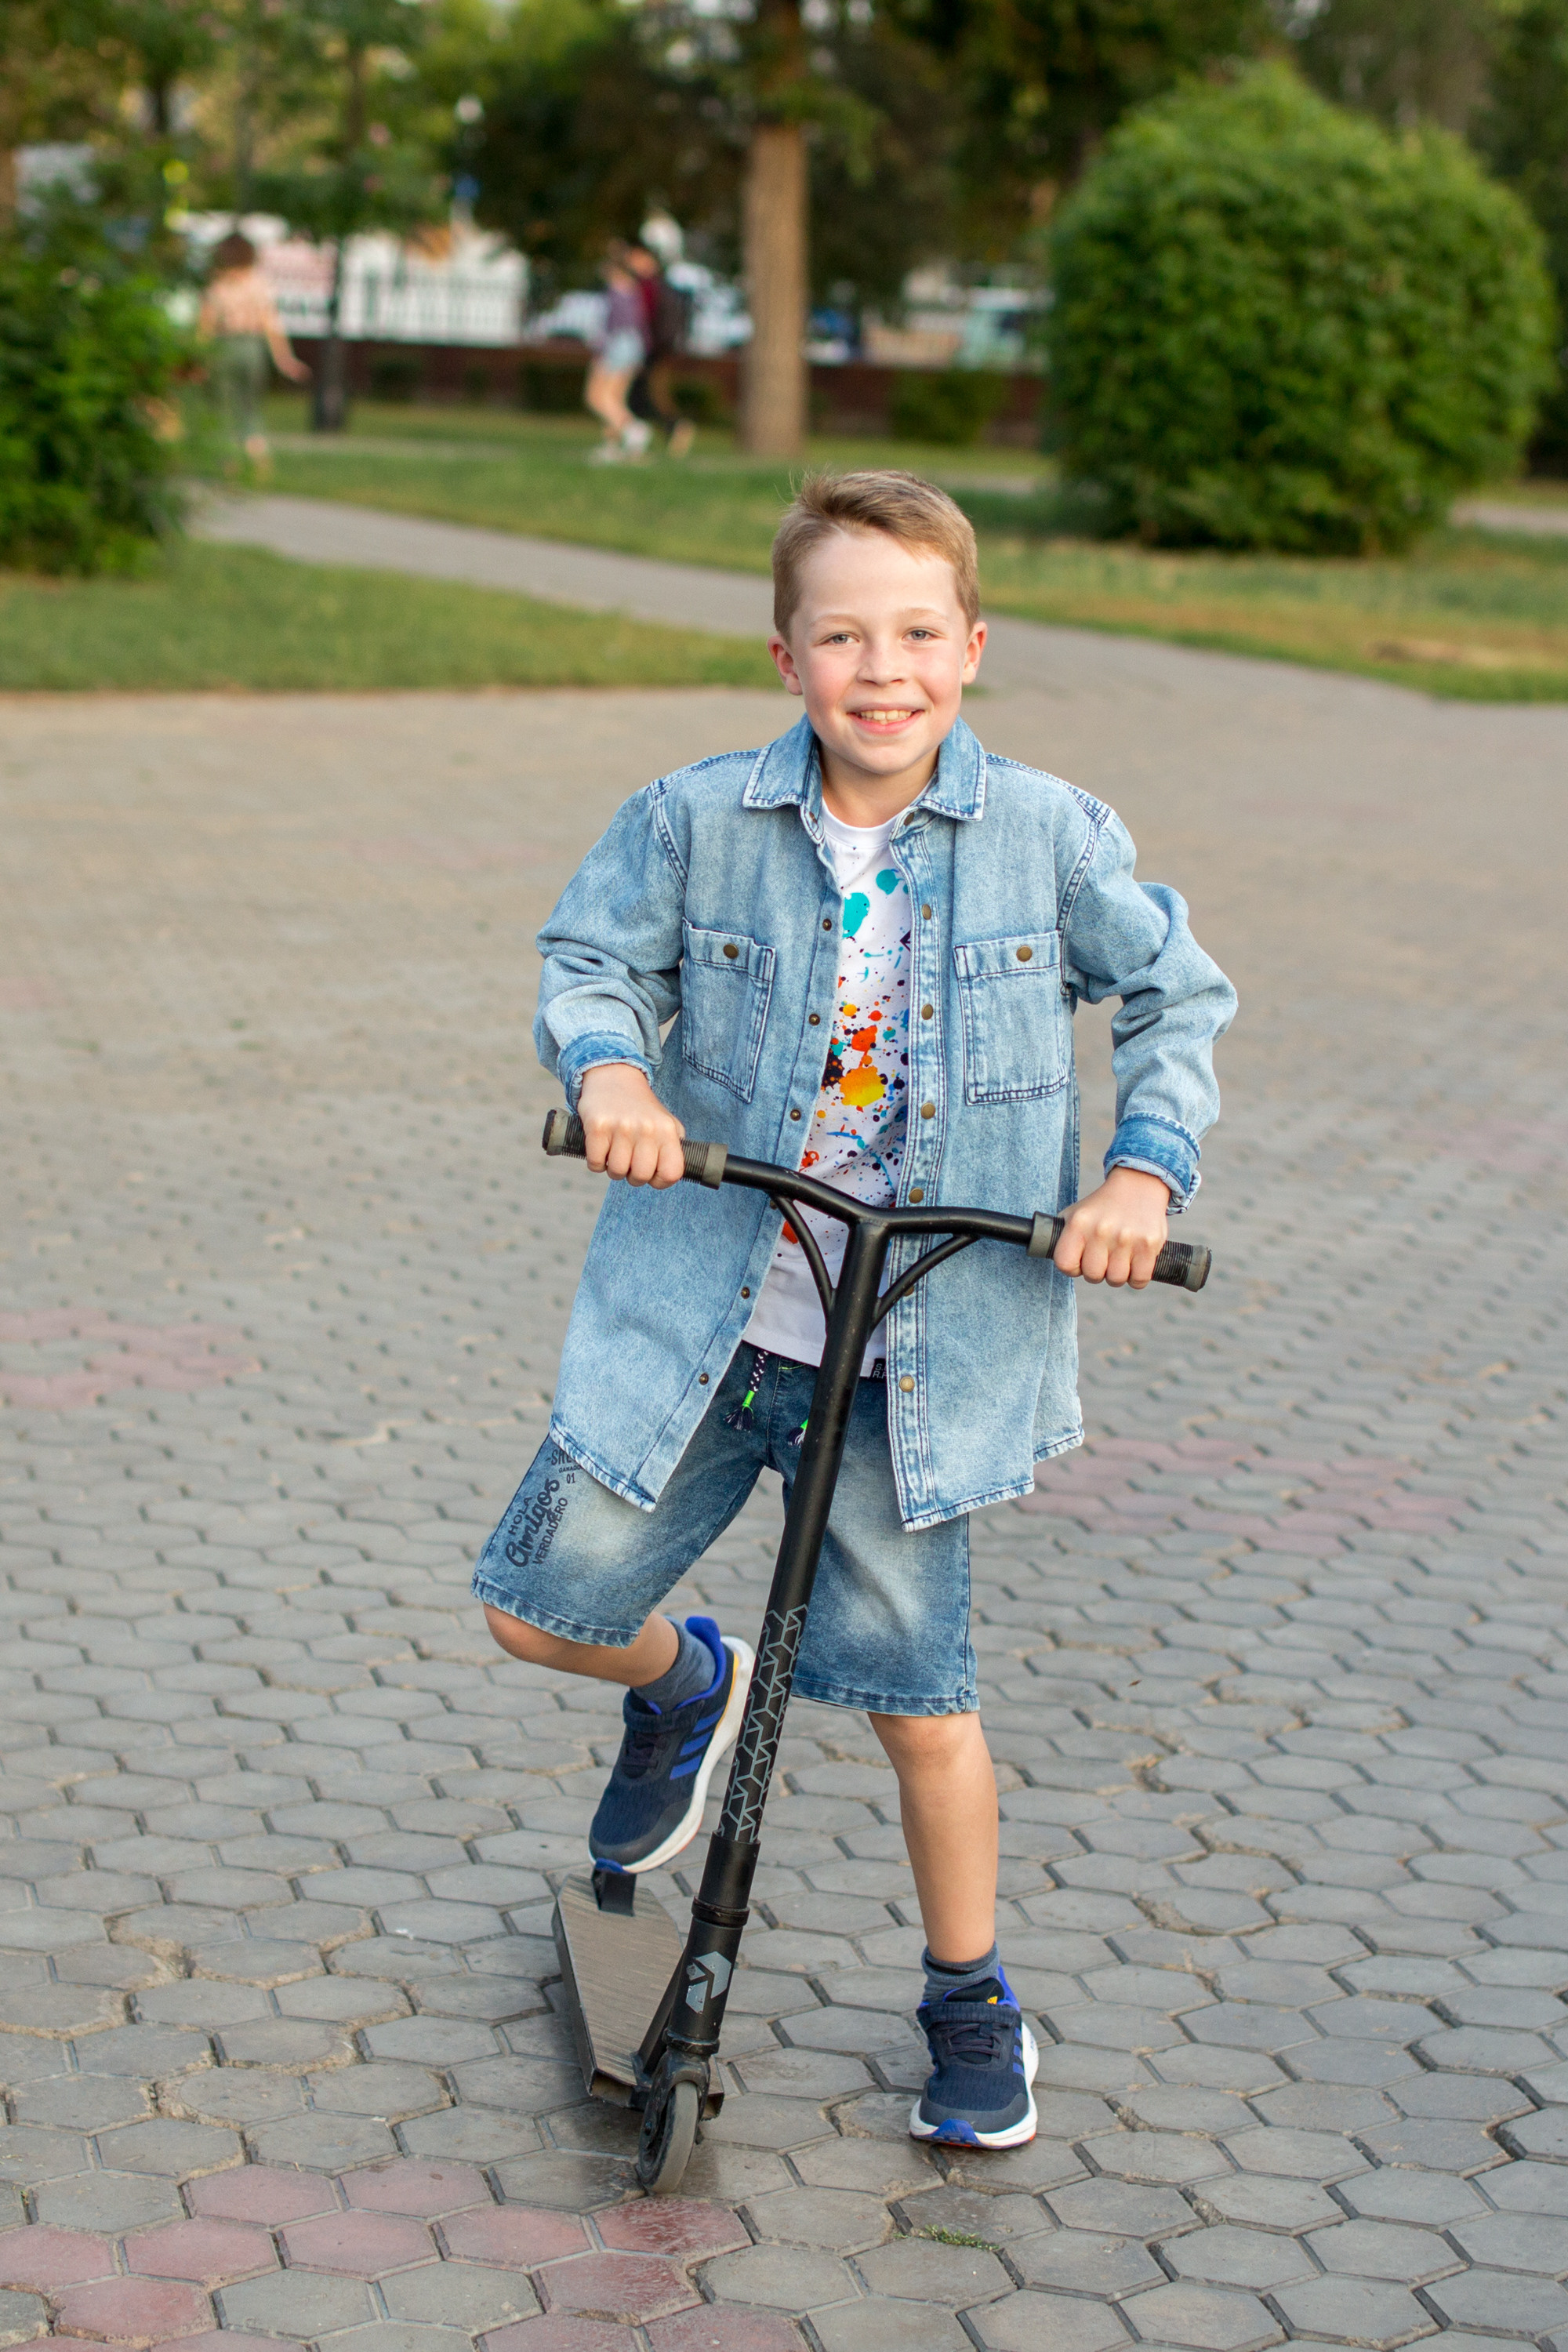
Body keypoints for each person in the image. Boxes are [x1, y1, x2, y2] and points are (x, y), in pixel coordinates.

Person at [473, 470, 1236, 2151]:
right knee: (536, 1603)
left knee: (919, 1703)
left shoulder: (1047, 833)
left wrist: (1141, 1177)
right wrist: (611, 1072)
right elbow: (589, 963)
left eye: (912, 634)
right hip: (715, 1315)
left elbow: (1176, 996)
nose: (877, 670)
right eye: (840, 636)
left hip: (917, 1350)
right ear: (783, 655)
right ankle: (687, 1682)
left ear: (971, 646)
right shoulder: (694, 821)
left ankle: (972, 2001)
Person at [198, 233, 309, 473]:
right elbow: (272, 325)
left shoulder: (217, 286)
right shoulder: (260, 285)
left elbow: (205, 326)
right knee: (251, 406)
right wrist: (284, 359)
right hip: (253, 348)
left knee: (222, 408)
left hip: (223, 347)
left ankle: (228, 462)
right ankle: (260, 459)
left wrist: (199, 358)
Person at [625, 241, 695, 457]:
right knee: (641, 393)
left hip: (654, 349)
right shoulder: (654, 286)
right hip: (654, 347)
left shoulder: (651, 287)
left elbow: (647, 320)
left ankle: (675, 427)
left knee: (651, 393)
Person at [585, 248, 652, 463]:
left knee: (597, 397)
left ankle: (633, 429)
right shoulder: (634, 291)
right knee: (615, 399)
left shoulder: (614, 292)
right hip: (633, 346)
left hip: (617, 345)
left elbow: (611, 325)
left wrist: (601, 352)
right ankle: (613, 447)